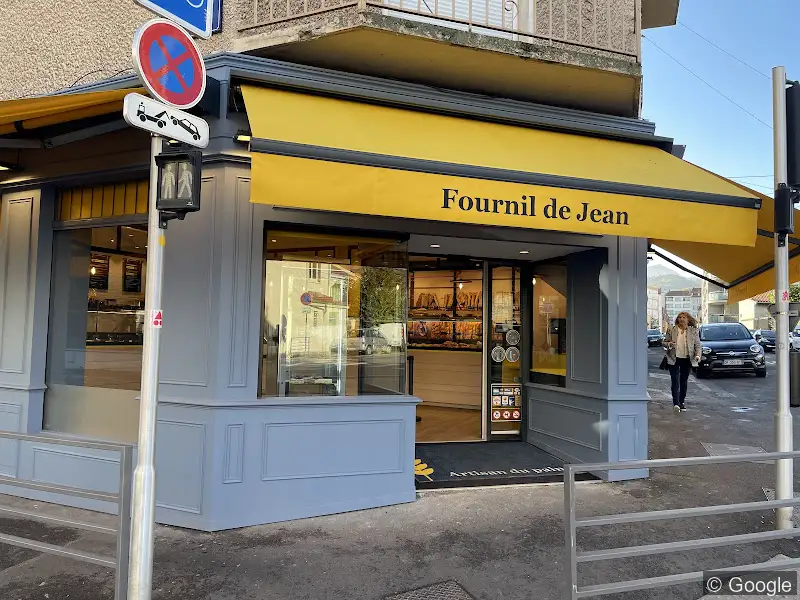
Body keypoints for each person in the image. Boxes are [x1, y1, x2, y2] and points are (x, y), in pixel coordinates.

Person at [662, 312, 702, 413]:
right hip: (673, 358)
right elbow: (664, 342)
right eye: (679, 317)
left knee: (683, 381)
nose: (681, 319)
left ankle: (681, 401)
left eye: (684, 317)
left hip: (687, 359)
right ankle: (676, 403)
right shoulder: (672, 329)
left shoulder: (693, 331)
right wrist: (669, 343)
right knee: (675, 380)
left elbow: (697, 345)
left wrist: (697, 355)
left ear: (688, 319)